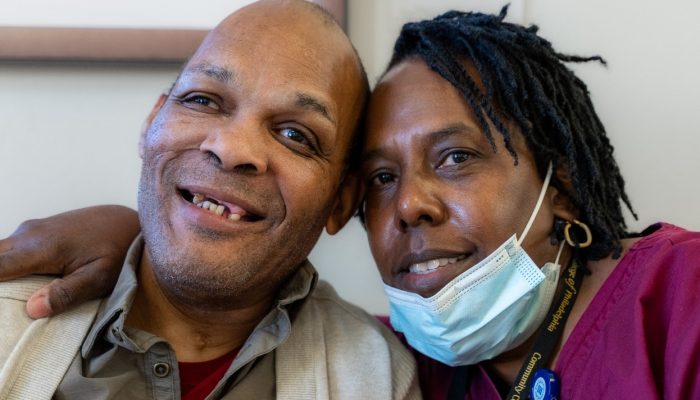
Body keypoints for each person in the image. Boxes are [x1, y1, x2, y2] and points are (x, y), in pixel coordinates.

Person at [4, 5, 700, 400]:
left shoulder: (681, 300)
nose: (410, 207)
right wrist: (140, 234)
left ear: (565, 184)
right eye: (380, 178)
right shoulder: (410, 351)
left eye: (455, 157)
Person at [0, 1, 420, 399]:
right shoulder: (10, 322)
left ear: (341, 203)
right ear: (152, 124)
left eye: (295, 135)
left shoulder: (378, 376)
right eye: (202, 100)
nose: (233, 148)